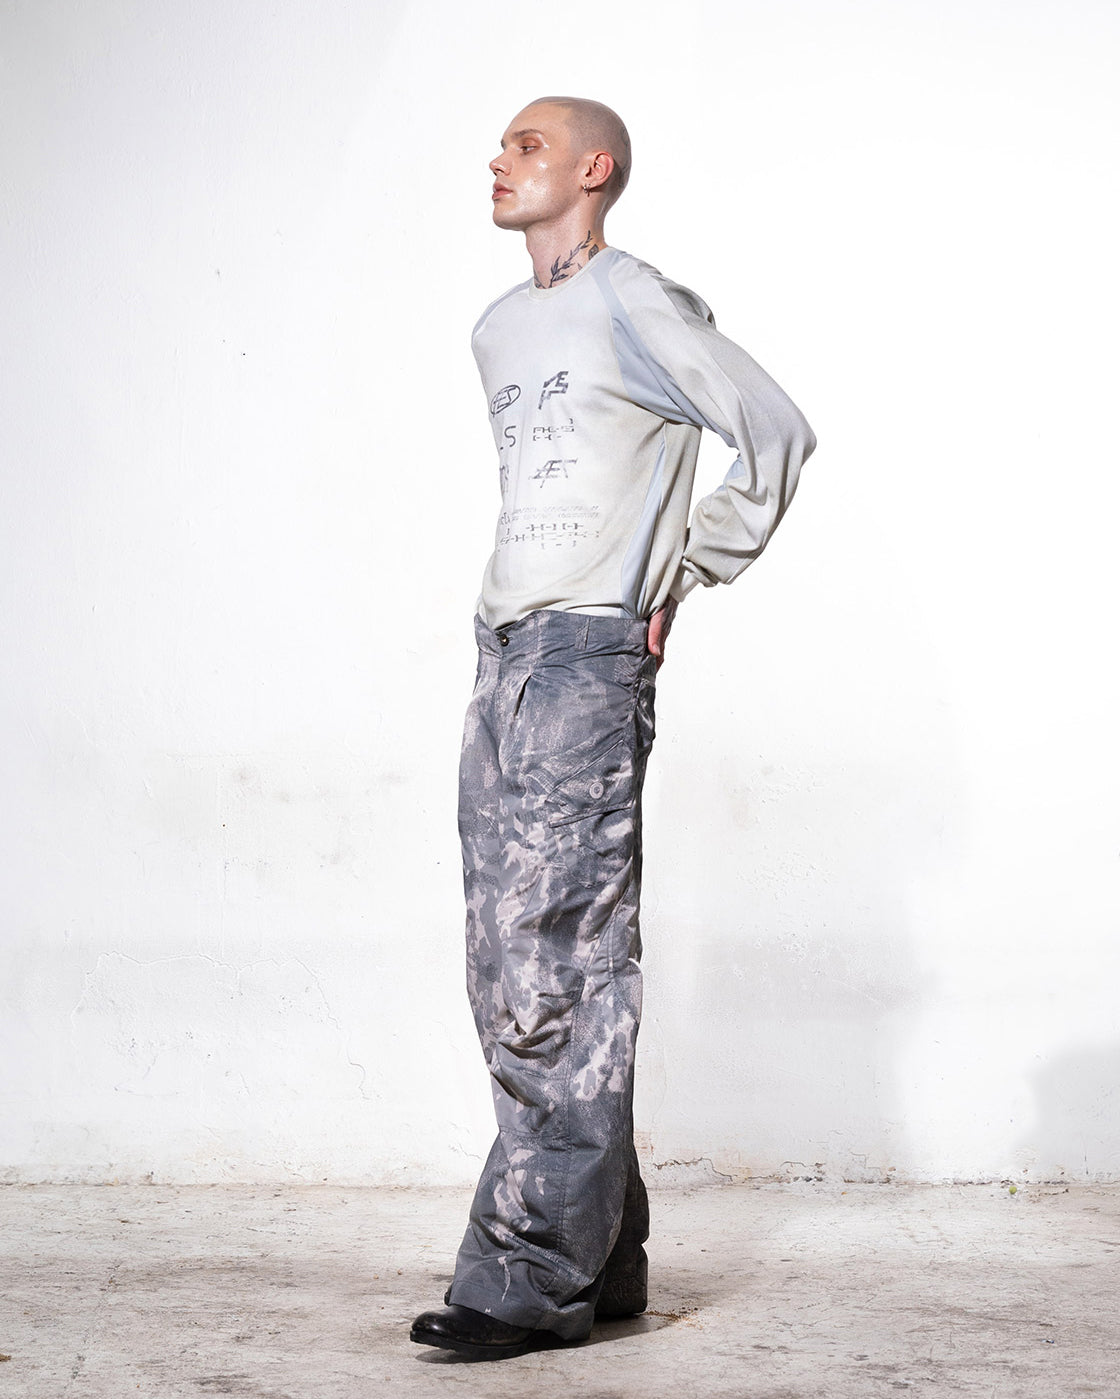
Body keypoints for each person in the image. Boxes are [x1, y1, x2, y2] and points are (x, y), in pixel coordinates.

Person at [410, 96, 816, 1360]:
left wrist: (681, 571)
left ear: (595, 170)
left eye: (527, 145)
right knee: (510, 966)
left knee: (554, 968)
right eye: (501, 145)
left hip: (587, 656)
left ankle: (530, 1277)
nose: (499, 159)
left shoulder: (634, 298)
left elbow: (774, 431)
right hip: (504, 650)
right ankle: (606, 1251)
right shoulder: (496, 327)